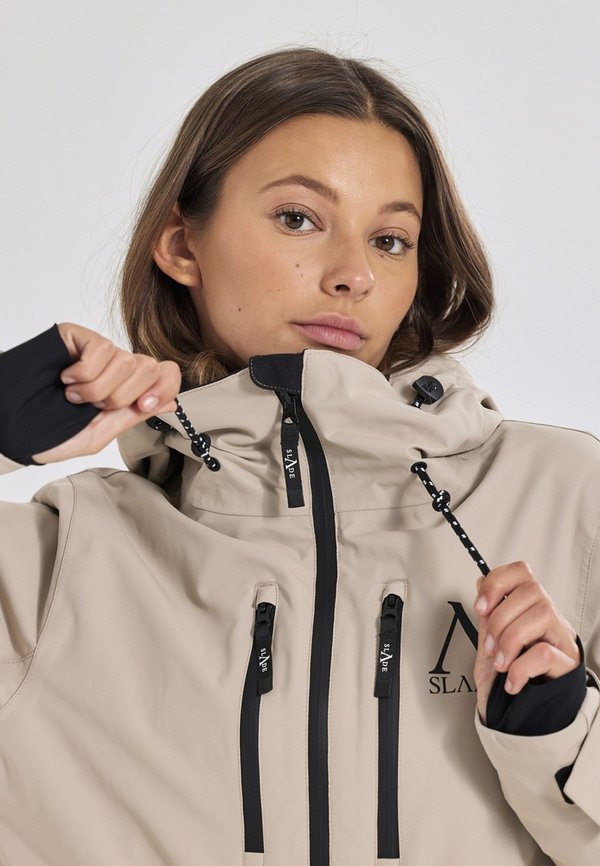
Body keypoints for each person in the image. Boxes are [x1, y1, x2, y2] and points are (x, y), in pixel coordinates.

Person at [0, 46, 598, 866]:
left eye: (390, 239)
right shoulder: (60, 565)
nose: (354, 274)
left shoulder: (564, 501)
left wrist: (559, 738)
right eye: (298, 219)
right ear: (181, 244)